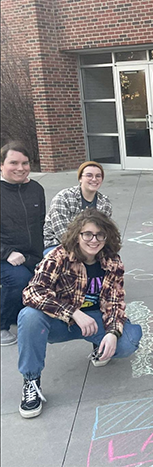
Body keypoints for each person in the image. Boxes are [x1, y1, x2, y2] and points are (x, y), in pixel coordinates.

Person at [17, 208, 142, 418]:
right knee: (29, 316)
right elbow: (32, 292)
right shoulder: (59, 256)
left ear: (106, 236)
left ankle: (99, 345)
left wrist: (112, 333)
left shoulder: (112, 261)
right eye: (87, 234)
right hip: (60, 322)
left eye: (100, 235)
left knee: (128, 342)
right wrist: (72, 312)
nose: (94, 240)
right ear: (77, 235)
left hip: (94, 320)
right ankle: (31, 381)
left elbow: (115, 302)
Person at [1, 143, 46, 347]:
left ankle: (18, 313)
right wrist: (7, 252)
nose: (20, 168)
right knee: (19, 279)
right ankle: (2, 324)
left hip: (33, 254)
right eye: (13, 163)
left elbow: (41, 223)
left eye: (25, 163)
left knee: (47, 282)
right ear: (1, 165)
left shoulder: (35, 189)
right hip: (5, 256)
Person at [42, 161, 112, 254]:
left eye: (98, 176)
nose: (94, 179)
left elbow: (104, 231)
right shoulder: (63, 197)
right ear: (80, 178)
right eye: (89, 175)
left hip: (92, 243)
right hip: (58, 244)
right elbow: (62, 234)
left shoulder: (104, 203)